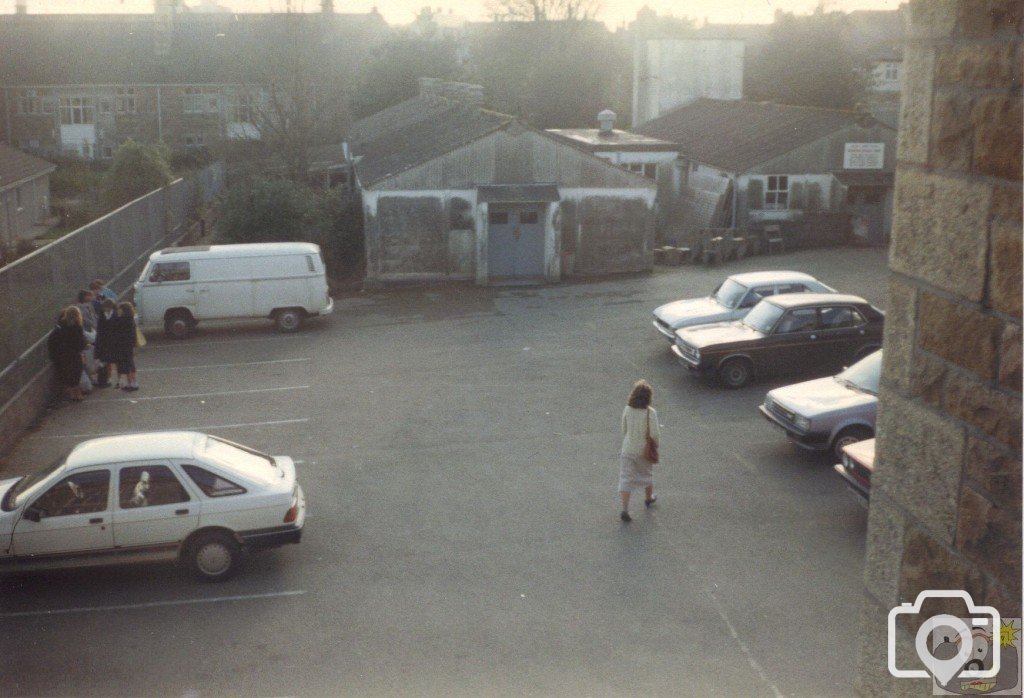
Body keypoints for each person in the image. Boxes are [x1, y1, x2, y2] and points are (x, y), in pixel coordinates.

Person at [618, 379, 661, 523]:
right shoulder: (651, 413)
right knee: (646, 474)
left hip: (628, 449)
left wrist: (628, 440)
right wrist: (656, 446)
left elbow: (624, 428)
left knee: (625, 478)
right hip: (643, 451)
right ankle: (648, 498)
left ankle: (625, 509)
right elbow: (654, 434)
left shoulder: (627, 409)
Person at [47, 306, 87, 402]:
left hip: (62, 356)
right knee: (76, 374)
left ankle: (71, 395)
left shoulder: (59, 327)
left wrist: (54, 356)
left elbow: (51, 342)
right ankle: (78, 394)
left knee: (67, 375)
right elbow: (81, 342)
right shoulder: (77, 327)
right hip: (74, 355)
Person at [110, 301, 139, 391]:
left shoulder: (122, 320)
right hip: (130, 344)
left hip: (122, 345)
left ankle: (130, 383)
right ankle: (134, 382)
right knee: (131, 363)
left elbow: (115, 331)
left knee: (127, 365)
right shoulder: (131, 319)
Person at [76, 289, 98, 385]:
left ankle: (93, 376)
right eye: (89, 295)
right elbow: (86, 320)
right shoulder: (80, 308)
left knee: (93, 356)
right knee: (88, 357)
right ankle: (91, 377)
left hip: (92, 332)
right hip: (87, 333)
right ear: (84, 297)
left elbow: (93, 317)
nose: (92, 297)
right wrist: (94, 326)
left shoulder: (89, 306)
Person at [93, 298, 117, 388]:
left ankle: (109, 378)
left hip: (111, 341)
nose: (104, 309)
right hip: (103, 341)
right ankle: (104, 379)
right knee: (104, 361)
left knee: (109, 361)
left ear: (110, 307)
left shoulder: (115, 315)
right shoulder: (102, 315)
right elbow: (99, 329)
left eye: (106, 307)